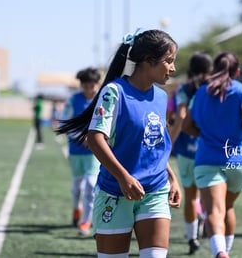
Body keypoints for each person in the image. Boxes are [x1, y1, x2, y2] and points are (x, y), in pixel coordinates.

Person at [57, 28, 181, 258]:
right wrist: (123, 178)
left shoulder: (162, 97)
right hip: (115, 192)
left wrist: (173, 179)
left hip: (154, 191)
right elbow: (95, 139)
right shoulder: (114, 92)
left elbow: (155, 146)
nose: (173, 68)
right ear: (147, 61)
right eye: (169, 61)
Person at [182, 51, 242, 258]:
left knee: (215, 211)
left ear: (214, 70)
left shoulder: (200, 93)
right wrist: (234, 131)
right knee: (228, 207)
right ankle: (227, 250)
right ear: (238, 71)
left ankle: (220, 252)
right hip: (239, 159)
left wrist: (206, 133)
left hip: (208, 159)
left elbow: (186, 125)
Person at [167, 51, 213, 254]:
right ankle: (204, 220)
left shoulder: (183, 89)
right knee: (209, 194)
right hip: (210, 149)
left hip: (186, 150)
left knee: (190, 195)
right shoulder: (213, 88)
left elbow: (179, 117)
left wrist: (170, 143)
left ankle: (192, 237)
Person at [60, 67, 102, 236]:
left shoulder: (102, 100)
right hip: (76, 150)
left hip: (94, 152)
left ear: (98, 85)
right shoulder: (73, 100)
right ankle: (76, 209)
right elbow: (64, 123)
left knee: (91, 185)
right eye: (86, 87)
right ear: (81, 86)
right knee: (77, 186)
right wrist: (82, 137)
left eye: (93, 86)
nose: (90, 90)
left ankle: (86, 221)